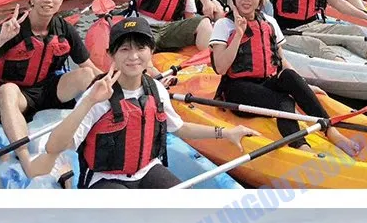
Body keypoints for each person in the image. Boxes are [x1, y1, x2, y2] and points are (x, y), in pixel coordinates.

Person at [37, 18, 256, 188]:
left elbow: (180, 128)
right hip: (107, 179)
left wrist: (225, 133)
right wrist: (88, 102)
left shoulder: (155, 89)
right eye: (124, 49)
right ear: (111, 54)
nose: (133, 56)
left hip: (148, 169)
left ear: (151, 51)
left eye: (140, 48)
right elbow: (53, 146)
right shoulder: (98, 95)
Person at [0, 0, 99, 178]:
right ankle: (27, 160)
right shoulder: (12, 28)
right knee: (7, 91)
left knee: (87, 75)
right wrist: (1, 39)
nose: (48, 0)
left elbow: (91, 68)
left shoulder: (64, 29)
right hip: (18, 96)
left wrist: (124, 84)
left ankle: (89, 138)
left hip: (48, 89)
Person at [210, 0, 360, 155]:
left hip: (266, 82)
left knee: (289, 76)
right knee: (284, 100)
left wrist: (303, 86)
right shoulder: (224, 25)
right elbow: (221, 67)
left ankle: (330, 129)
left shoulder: (270, 22)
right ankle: (300, 145)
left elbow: (281, 59)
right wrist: (238, 35)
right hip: (237, 89)